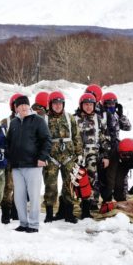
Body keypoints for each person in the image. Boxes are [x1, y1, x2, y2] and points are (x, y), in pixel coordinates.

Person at [6, 95, 52, 233]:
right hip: (17, 166)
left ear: (29, 106)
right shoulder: (13, 123)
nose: (24, 108)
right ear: (16, 108)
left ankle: (33, 224)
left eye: (26, 105)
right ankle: (23, 222)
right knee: (19, 196)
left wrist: (43, 157)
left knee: (33, 195)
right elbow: (9, 142)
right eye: (20, 106)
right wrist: (9, 158)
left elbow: (46, 140)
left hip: (33, 164)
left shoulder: (38, 120)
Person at [43, 91, 83, 223]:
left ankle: (68, 213)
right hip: (51, 158)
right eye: (55, 103)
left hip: (68, 157)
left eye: (60, 103)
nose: (58, 106)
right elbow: (40, 139)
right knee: (51, 185)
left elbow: (76, 136)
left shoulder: (70, 118)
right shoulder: (44, 119)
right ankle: (49, 213)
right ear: (50, 104)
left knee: (69, 185)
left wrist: (79, 154)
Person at [74, 93, 111, 218]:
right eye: (86, 104)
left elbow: (105, 138)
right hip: (76, 155)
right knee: (74, 181)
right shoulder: (74, 119)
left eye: (91, 104)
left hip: (92, 155)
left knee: (90, 181)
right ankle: (68, 206)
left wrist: (106, 156)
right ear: (81, 105)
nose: (89, 107)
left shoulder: (99, 119)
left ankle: (87, 208)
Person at [103, 138, 133, 214]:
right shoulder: (115, 151)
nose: (127, 157)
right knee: (118, 183)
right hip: (123, 164)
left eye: (129, 155)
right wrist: (109, 191)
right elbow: (111, 173)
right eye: (124, 155)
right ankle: (121, 203)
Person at [99, 92, 132, 196]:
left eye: (113, 104)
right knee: (105, 173)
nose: (111, 106)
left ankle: (123, 194)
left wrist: (121, 115)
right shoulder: (100, 116)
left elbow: (128, 127)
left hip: (117, 147)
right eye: (108, 104)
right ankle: (105, 195)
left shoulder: (117, 115)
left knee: (122, 171)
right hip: (104, 148)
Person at [0, 93, 23, 224]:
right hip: (10, 159)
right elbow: (0, 140)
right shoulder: (5, 122)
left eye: (21, 105)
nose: (18, 107)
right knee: (8, 186)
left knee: (21, 187)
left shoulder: (31, 120)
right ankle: (5, 212)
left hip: (24, 160)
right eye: (16, 105)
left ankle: (17, 210)